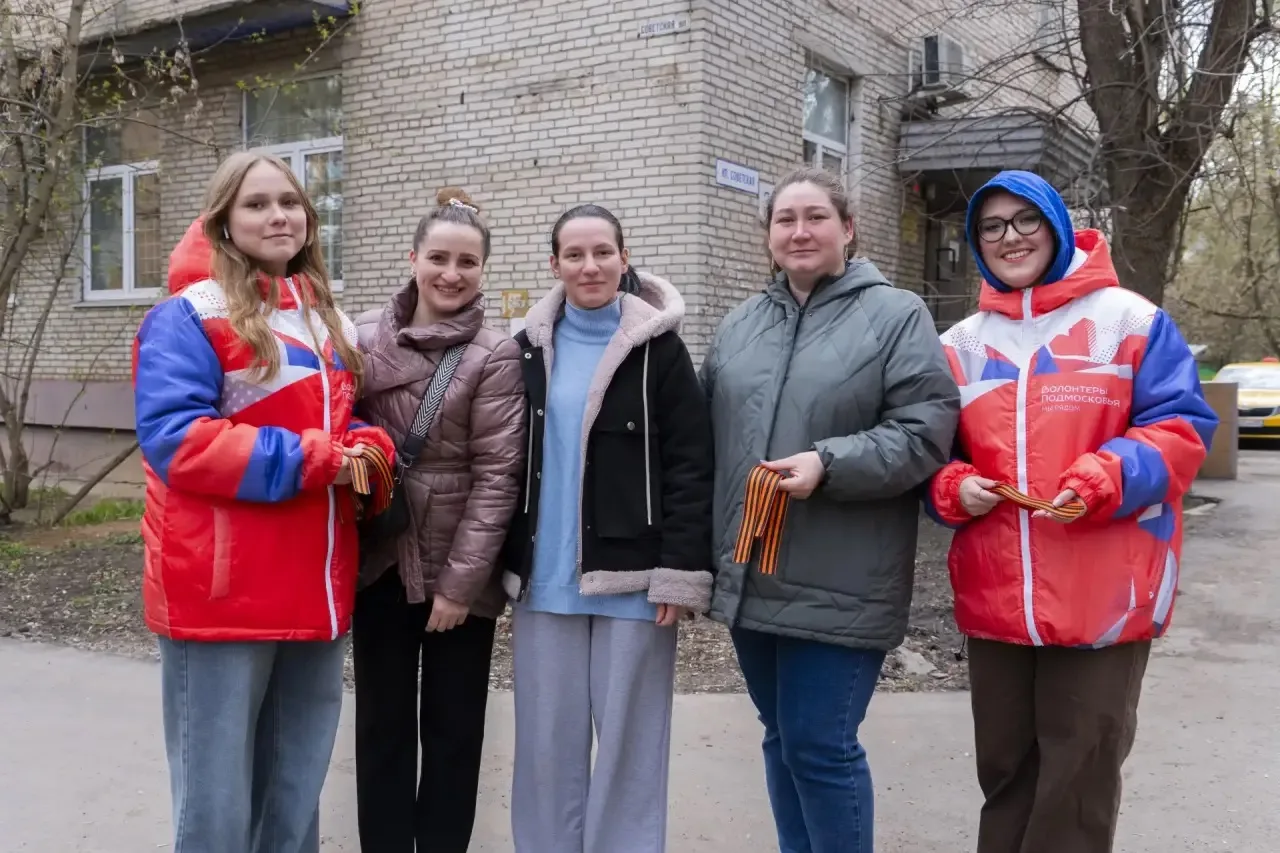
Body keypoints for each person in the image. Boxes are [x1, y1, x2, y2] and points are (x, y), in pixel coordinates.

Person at [925, 170, 1218, 853]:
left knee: (1077, 779)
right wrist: (954, 487)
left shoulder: (1129, 320)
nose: (1010, 237)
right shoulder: (959, 344)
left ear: (1056, 225)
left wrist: (1103, 476)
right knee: (1006, 773)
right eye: (991, 226)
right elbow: (932, 454)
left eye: (1025, 219)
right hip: (998, 596)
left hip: (1104, 596)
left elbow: (1181, 430)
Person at [132, 151, 395, 853]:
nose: (278, 215)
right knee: (216, 810)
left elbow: (336, 421)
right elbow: (178, 441)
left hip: (316, 586)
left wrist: (368, 445)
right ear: (223, 221)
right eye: (256, 203)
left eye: (290, 201)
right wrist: (318, 461)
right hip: (222, 593)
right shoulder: (188, 315)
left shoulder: (323, 317)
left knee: (292, 797)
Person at [702, 166, 961, 853]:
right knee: (782, 738)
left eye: (815, 216)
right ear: (767, 235)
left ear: (848, 228)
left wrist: (830, 462)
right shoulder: (740, 325)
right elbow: (705, 440)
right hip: (752, 571)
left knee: (820, 744)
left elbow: (925, 432)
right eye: (784, 219)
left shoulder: (895, 315)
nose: (799, 231)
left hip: (843, 576)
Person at [499, 204, 714, 853]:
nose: (589, 266)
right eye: (574, 254)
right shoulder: (525, 348)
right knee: (545, 747)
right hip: (545, 581)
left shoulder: (660, 350)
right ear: (554, 264)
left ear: (624, 258)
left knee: (631, 746)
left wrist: (680, 570)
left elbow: (691, 463)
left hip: (635, 580)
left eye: (602, 252)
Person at [351, 188, 526, 853]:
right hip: (380, 560)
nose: (452, 274)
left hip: (459, 575)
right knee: (382, 728)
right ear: (413, 258)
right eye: (439, 258)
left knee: (453, 734)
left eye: (468, 262)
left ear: (483, 269)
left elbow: (497, 477)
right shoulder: (363, 335)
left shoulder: (494, 353)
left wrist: (458, 587)